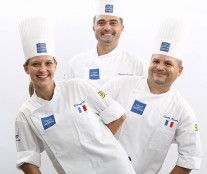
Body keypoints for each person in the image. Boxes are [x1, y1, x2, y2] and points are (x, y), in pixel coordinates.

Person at [15, 16, 136, 174]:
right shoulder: (26, 113)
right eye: (36, 64)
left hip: (116, 167)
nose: (42, 70)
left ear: (55, 65)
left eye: (48, 63)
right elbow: (27, 160)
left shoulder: (78, 86)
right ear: (26, 68)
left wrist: (97, 144)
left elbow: (118, 115)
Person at [102, 18, 202, 174]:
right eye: (156, 61)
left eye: (168, 63)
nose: (160, 67)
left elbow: (189, 158)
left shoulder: (182, 110)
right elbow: (86, 121)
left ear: (180, 71)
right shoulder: (118, 85)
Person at [66, 0, 147, 88]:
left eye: (113, 23)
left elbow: (144, 97)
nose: (107, 28)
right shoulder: (75, 63)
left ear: (121, 28)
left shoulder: (137, 64)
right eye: (101, 23)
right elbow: (69, 98)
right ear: (94, 28)